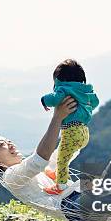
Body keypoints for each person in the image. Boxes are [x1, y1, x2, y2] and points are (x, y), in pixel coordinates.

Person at [40, 59, 99, 195]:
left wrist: (44, 100)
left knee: (62, 159)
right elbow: (95, 102)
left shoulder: (64, 89)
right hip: (84, 132)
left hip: (71, 131)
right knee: (64, 154)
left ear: (60, 80)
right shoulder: (86, 90)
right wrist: (83, 108)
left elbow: (54, 99)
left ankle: (60, 186)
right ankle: (60, 175)